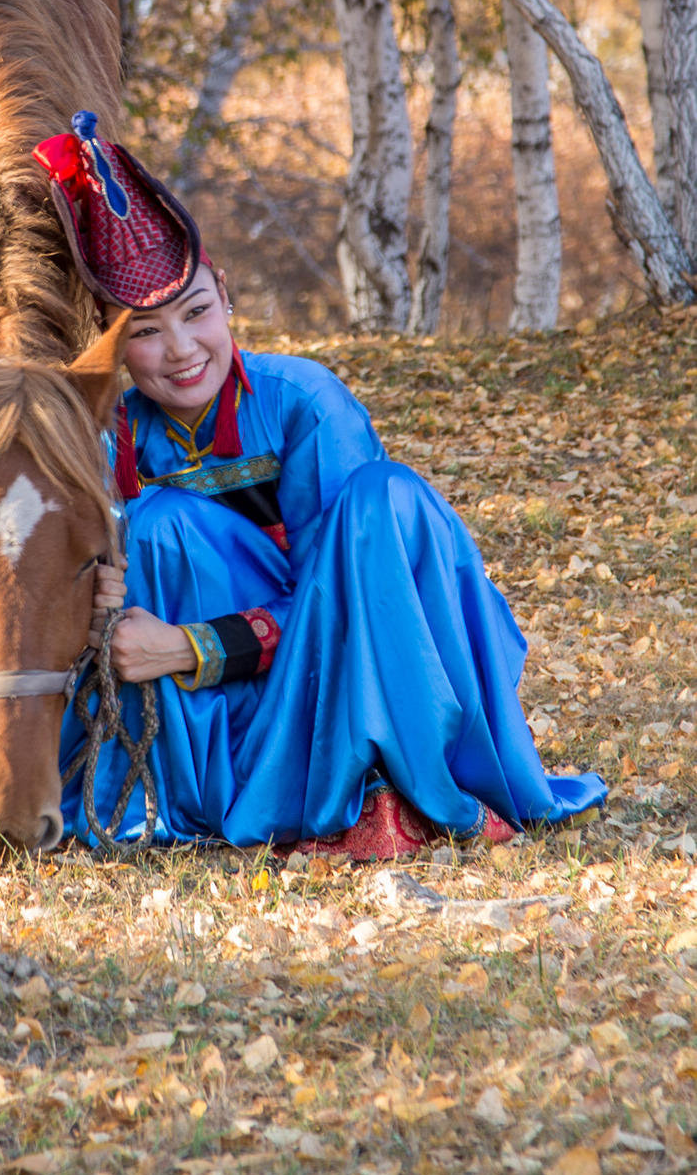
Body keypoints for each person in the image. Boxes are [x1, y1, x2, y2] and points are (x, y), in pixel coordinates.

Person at [33, 114, 607, 855]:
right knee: (159, 525)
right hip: (228, 716)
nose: (181, 351)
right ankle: (224, 787)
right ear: (110, 342)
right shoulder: (110, 435)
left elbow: (350, 595)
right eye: (143, 332)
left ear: (227, 296)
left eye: (197, 313)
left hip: (345, 661)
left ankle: (391, 770)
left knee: (381, 500)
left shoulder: (304, 400)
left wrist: (186, 646)